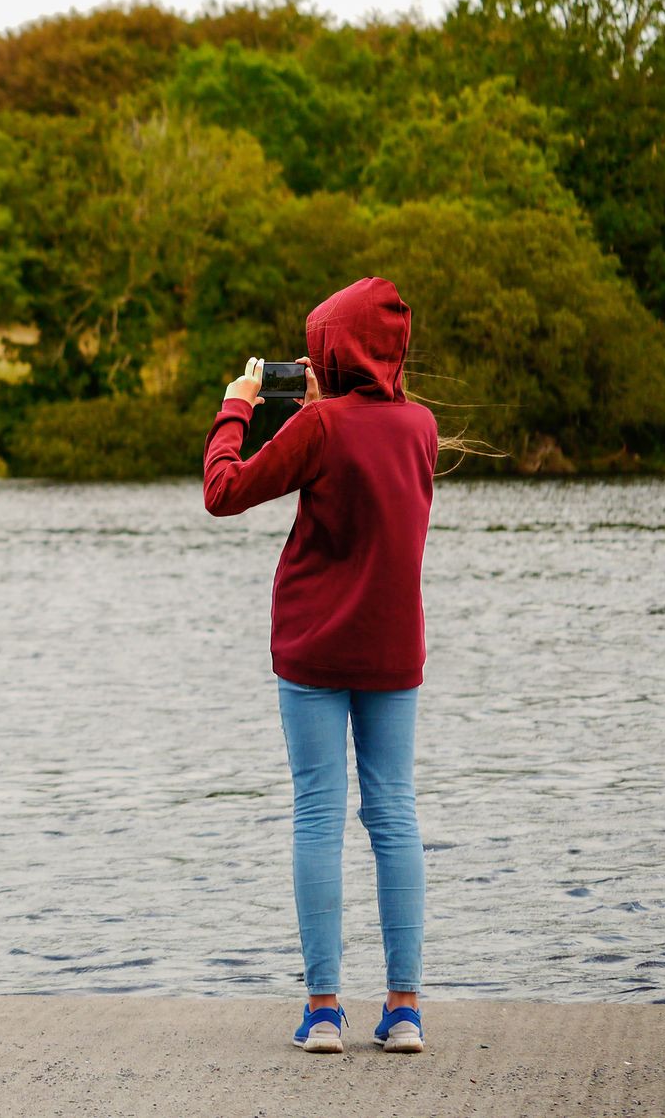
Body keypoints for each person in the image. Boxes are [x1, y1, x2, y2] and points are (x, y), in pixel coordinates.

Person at [202, 276, 438, 1056]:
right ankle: (404, 1009)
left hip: (311, 646)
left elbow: (224, 491)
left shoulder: (320, 428)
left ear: (332, 352)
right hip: (392, 646)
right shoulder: (422, 429)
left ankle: (325, 1010)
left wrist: (238, 402)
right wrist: (319, 408)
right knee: (394, 813)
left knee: (317, 813)